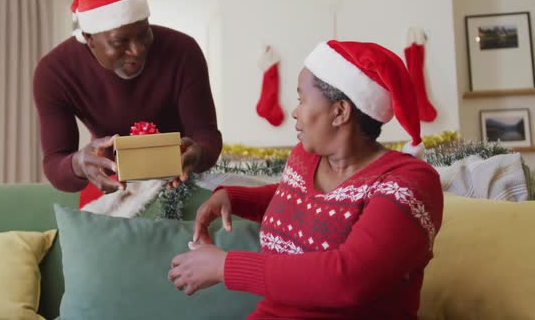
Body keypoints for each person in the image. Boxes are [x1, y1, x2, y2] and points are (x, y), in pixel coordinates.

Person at [168, 40, 444, 319]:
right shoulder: (306, 157)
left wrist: (225, 266)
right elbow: (299, 202)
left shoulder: (409, 182)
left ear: (340, 112)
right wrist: (232, 198)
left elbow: (349, 279)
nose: (295, 111)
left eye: (301, 99)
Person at [33, 0, 222, 194]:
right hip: (114, 184)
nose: (138, 49)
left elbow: (206, 134)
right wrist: (79, 163)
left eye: (144, 34)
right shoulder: (55, 71)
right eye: (120, 41)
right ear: (89, 38)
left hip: (182, 181)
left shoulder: (183, 50)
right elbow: (55, 163)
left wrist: (199, 153)